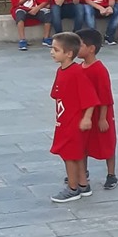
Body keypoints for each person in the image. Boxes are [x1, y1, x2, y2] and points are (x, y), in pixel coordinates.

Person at [48, 32, 99, 203]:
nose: (52, 52)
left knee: (69, 156)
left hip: (74, 122)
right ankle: (83, 184)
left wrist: (87, 118)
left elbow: (91, 98)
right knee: (75, 154)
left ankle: (72, 188)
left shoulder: (77, 73)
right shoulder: (61, 71)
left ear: (69, 53)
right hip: (64, 121)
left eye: (56, 49)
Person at [76, 29, 118, 190]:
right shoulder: (79, 68)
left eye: (80, 45)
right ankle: (83, 171)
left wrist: (102, 118)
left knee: (107, 142)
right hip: (85, 112)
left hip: (101, 113)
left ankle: (111, 174)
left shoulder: (99, 70)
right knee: (83, 143)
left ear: (91, 48)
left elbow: (105, 95)